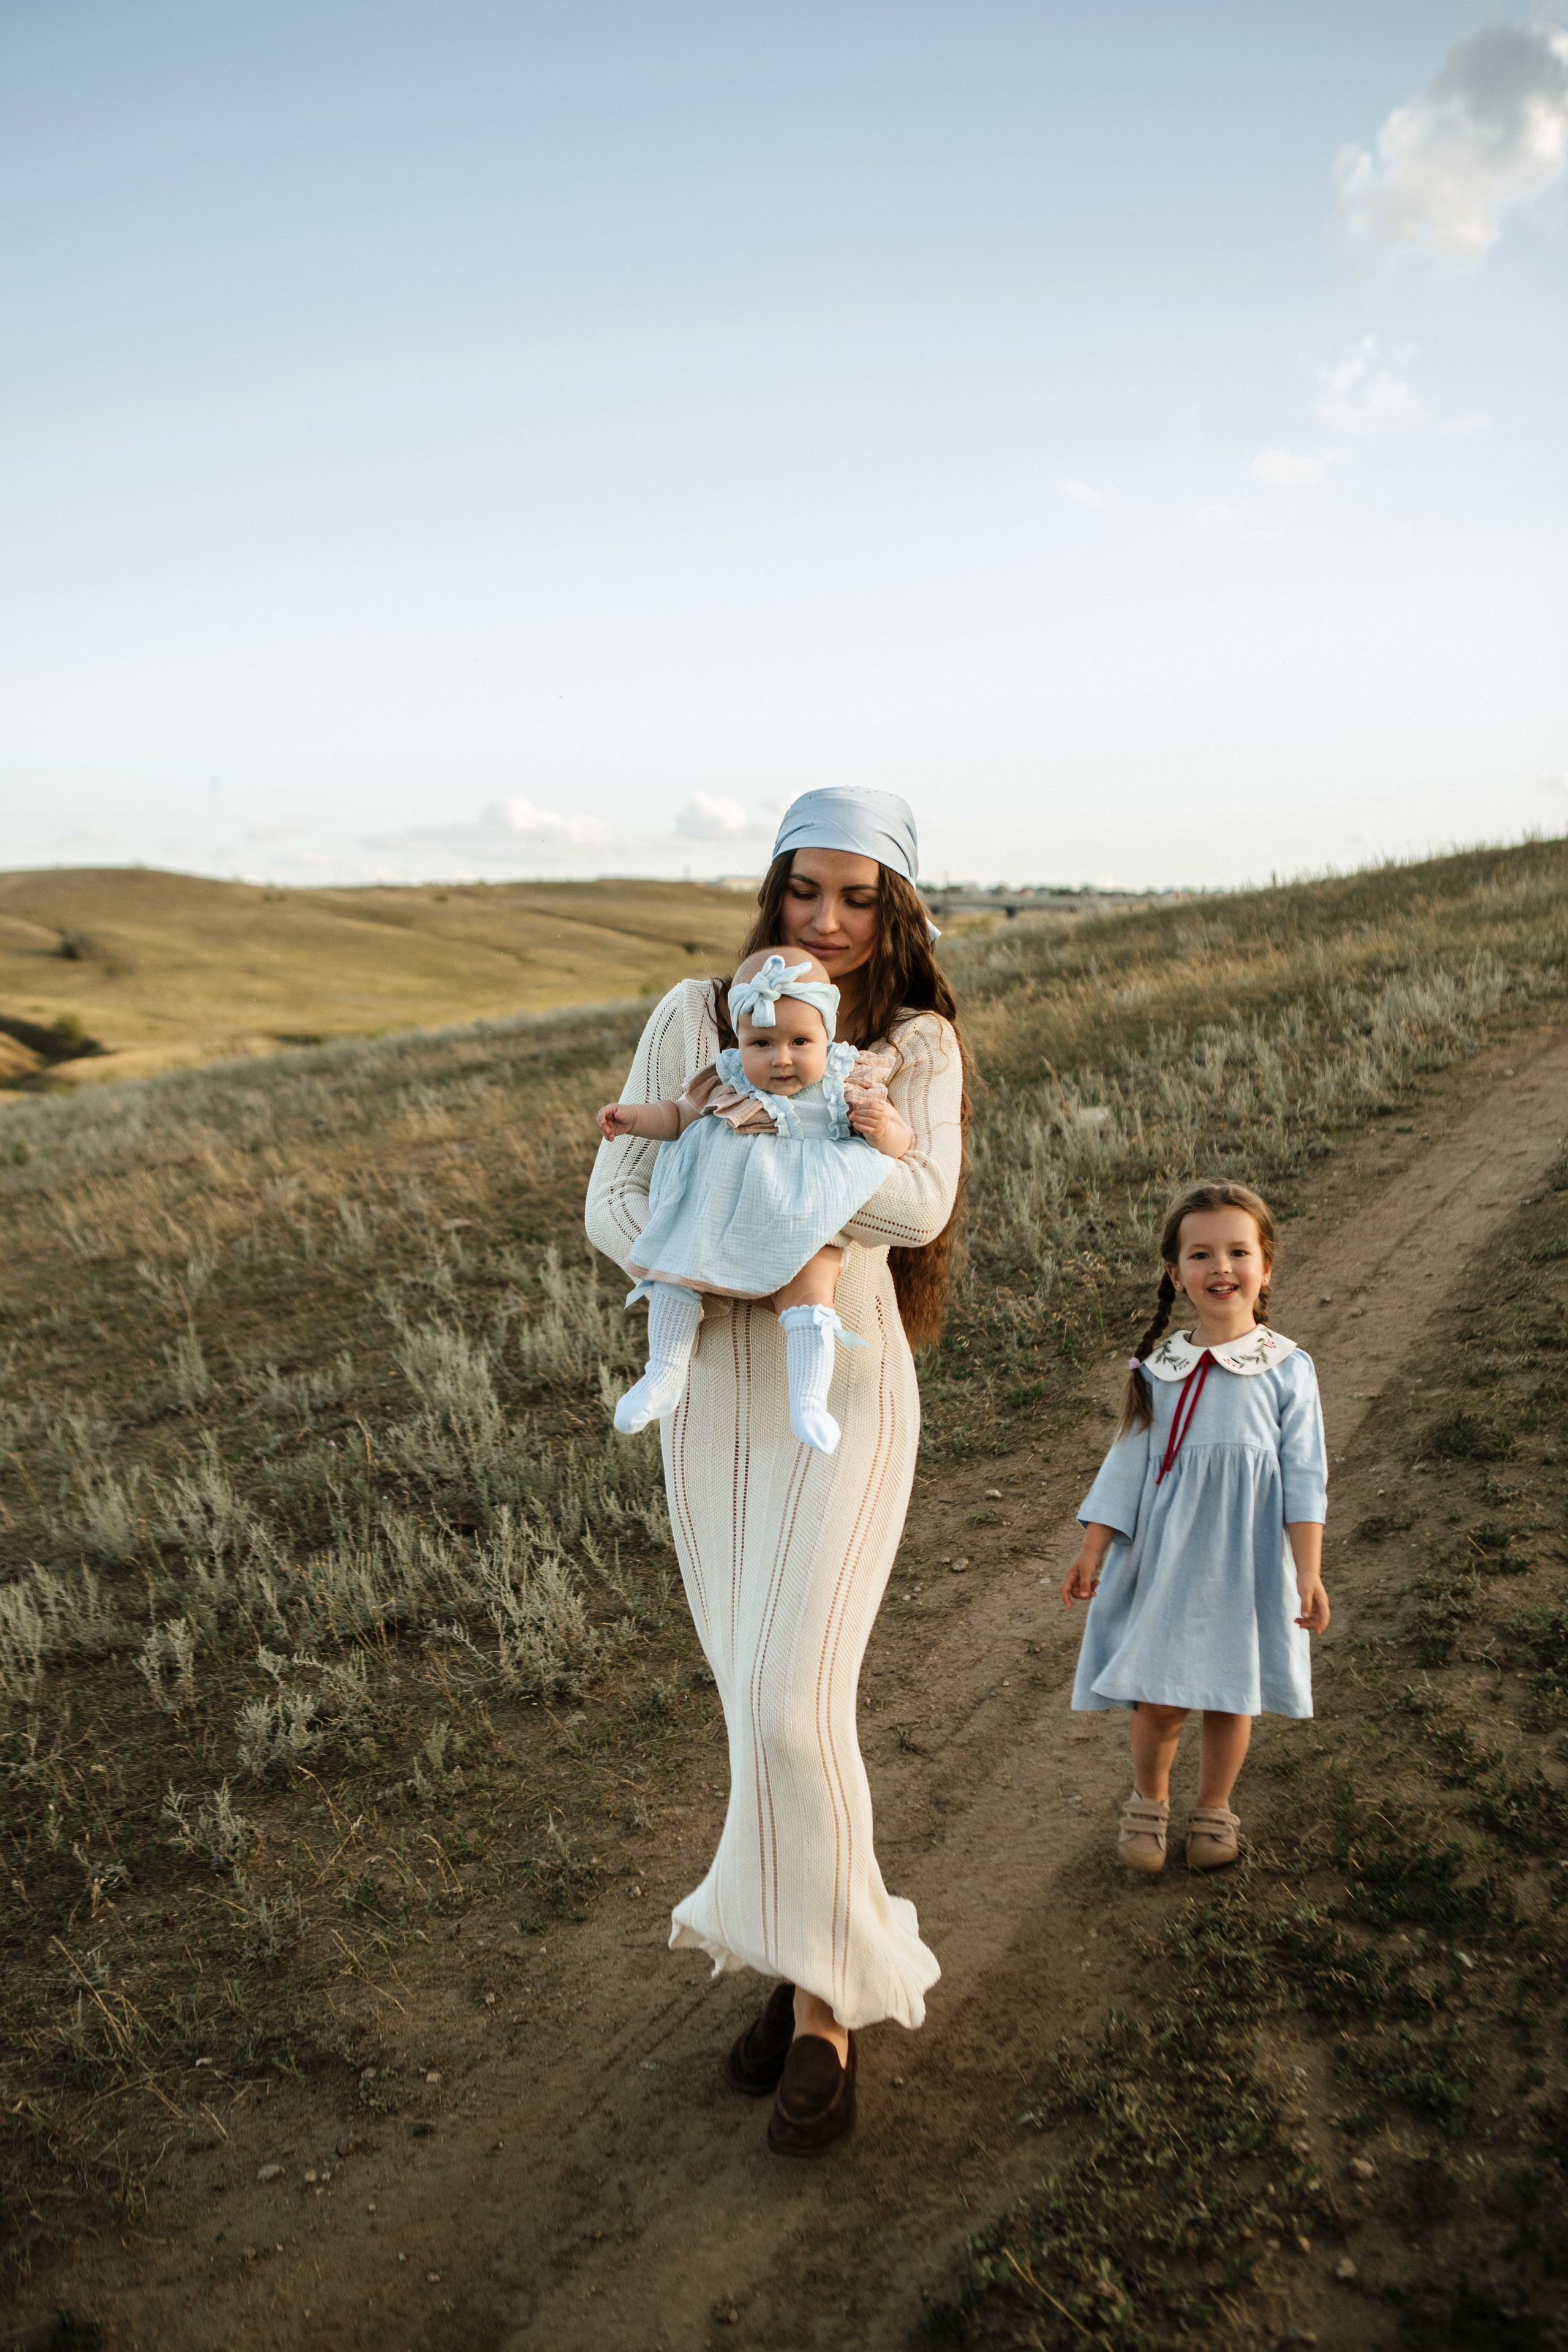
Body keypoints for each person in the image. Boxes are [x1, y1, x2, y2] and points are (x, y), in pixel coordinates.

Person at [585, 786, 965, 2155]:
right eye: (806, 890)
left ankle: (823, 2010)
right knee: (753, 1707)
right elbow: (609, 1202)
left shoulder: (910, 1042)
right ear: (773, 888)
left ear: (896, 908)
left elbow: (918, 1204)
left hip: (840, 1389)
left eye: (859, 898)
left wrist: (744, 1175)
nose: (827, 919)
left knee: (792, 1701)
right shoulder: (695, 1013)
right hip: (709, 1406)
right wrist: (712, 1226)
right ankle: (808, 1958)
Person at [1060, 1179, 1330, 1874]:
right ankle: (1148, 1803)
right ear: (1175, 1274)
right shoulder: (1161, 1370)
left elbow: (1304, 1478)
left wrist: (1308, 1570)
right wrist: (1094, 1547)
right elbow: (1124, 1465)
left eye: (1238, 1252)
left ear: (1265, 1267)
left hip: (1244, 1558)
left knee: (1228, 1692)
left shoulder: (1287, 1371)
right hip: (1167, 1556)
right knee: (1159, 1695)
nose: (1221, 1268)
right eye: (1201, 1255)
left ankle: (1214, 1810)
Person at [596, 947, 910, 1452]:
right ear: (739, 1042)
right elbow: (679, 1117)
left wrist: (887, 1131)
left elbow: (899, 1148)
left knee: (812, 1295)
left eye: (800, 1041)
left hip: (802, 1215)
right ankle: (663, 1376)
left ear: (827, 1036)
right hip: (722, 1213)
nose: (781, 1058)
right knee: (677, 1268)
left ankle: (809, 1400)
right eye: (762, 1042)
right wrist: (636, 1119)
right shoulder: (728, 1079)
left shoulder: (844, 1081)